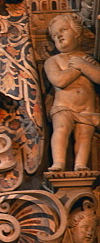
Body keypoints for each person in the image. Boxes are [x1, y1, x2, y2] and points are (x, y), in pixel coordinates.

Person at [43, 13, 100, 171]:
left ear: (77, 33)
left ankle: (81, 165)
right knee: (61, 130)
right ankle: (59, 163)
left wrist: (84, 65)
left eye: (63, 30)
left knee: (84, 136)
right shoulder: (53, 61)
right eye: (54, 35)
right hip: (63, 108)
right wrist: (77, 68)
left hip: (87, 110)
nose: (59, 36)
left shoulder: (88, 60)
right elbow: (59, 81)